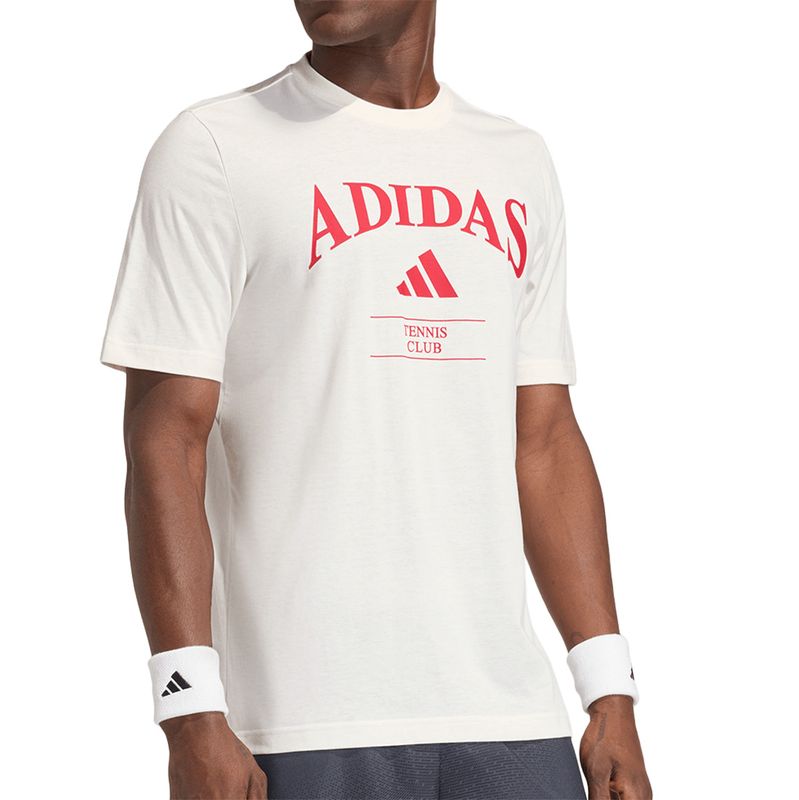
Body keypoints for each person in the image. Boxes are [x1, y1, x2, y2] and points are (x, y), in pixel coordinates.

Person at [101, 1, 652, 797]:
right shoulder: (216, 145)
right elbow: (164, 440)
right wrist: (187, 711)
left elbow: (543, 439)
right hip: (299, 720)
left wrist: (609, 692)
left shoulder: (515, 159)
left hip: (508, 713)